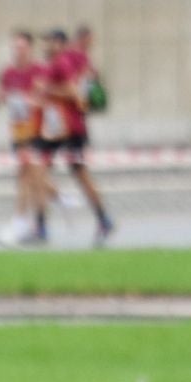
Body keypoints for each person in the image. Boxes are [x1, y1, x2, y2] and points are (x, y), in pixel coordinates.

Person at [39, 28, 113, 246]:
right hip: (63, 127)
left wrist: (48, 90)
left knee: (41, 170)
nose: (46, 47)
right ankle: (101, 218)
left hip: (66, 127)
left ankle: (44, 221)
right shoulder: (77, 60)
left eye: (50, 42)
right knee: (51, 171)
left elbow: (74, 92)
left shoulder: (63, 61)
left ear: (62, 43)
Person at [0, 30, 50, 247]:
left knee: (28, 176)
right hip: (18, 131)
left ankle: (22, 221)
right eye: (15, 47)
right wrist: (2, 97)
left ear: (29, 49)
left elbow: (45, 99)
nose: (17, 52)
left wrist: (29, 100)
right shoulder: (7, 73)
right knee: (31, 178)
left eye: (21, 47)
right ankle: (39, 224)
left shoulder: (39, 71)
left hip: (37, 130)